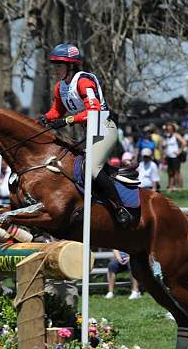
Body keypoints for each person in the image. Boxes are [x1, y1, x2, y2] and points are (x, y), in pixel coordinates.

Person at [39, 43, 129, 227]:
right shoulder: (60, 87)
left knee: (92, 168)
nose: (55, 70)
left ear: (70, 66)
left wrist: (67, 121)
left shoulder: (83, 81)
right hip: (90, 130)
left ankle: (120, 207)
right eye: (54, 65)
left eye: (59, 65)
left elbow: (93, 111)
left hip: (105, 127)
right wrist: (43, 119)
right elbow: (56, 111)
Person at [162, 122, 187, 191]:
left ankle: (180, 187)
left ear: (173, 129)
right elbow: (165, 147)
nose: (169, 130)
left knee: (177, 172)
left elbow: (184, 143)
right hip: (169, 157)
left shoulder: (176, 135)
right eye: (168, 129)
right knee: (170, 172)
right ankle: (171, 187)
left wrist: (179, 151)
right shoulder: (166, 136)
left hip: (175, 157)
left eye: (170, 128)